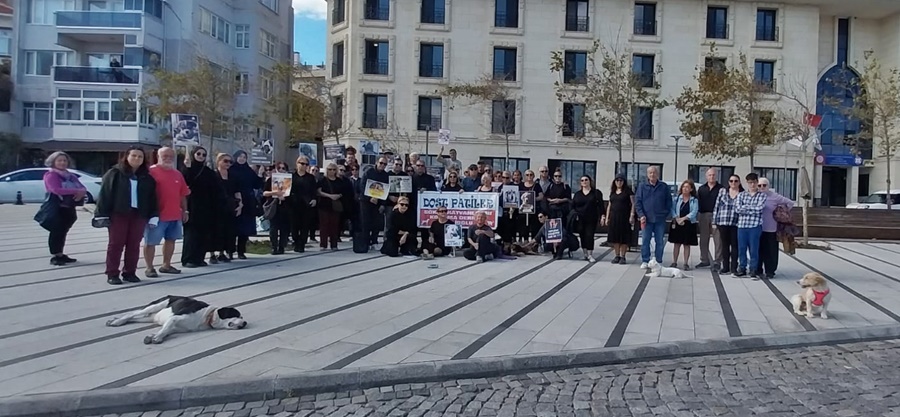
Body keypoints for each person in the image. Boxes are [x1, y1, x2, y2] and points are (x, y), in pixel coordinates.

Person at [95, 146, 157, 285]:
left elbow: (152, 198)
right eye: (133, 156)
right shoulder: (115, 173)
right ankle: (112, 273)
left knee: (134, 245)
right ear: (127, 157)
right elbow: (105, 194)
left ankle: (129, 272)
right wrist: (101, 214)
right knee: (116, 244)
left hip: (138, 215)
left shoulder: (147, 177)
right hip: (119, 213)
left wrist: (154, 215)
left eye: (140, 156)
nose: (136, 159)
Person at [144, 147, 190, 277]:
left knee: (171, 240)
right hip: (156, 216)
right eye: (165, 156)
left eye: (171, 156)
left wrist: (185, 210)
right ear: (158, 156)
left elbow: (183, 194)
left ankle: (166, 265)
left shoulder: (177, 174)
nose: (168, 158)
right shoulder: (150, 172)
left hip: (175, 214)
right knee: (151, 242)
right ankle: (149, 267)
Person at [41, 151, 87, 266]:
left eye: (64, 160)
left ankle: (60, 253)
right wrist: (76, 191)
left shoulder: (70, 175)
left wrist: (81, 191)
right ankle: (56, 255)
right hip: (57, 207)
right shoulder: (51, 175)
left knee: (63, 231)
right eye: (59, 160)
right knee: (56, 231)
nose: (62, 163)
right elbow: (56, 189)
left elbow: (82, 187)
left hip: (69, 207)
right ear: (53, 162)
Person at [180, 146, 219, 268]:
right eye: (198, 154)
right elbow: (184, 184)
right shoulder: (187, 169)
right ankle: (188, 259)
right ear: (193, 155)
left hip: (206, 206)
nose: (201, 156)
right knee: (191, 233)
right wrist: (187, 168)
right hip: (192, 205)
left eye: (203, 154)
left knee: (204, 233)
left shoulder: (208, 171)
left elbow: (215, 188)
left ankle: (199, 257)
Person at [756, 177, 794, 278]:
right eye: (759, 185)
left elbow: (790, 203)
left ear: (768, 186)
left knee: (771, 251)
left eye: (764, 185)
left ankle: (770, 271)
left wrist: (781, 212)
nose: (762, 187)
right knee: (758, 250)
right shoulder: (755, 195)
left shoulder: (774, 196)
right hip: (757, 228)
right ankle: (757, 269)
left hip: (771, 228)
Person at [635, 166, 672, 269]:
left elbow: (669, 201)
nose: (652, 175)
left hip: (660, 219)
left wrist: (665, 213)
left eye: (654, 173)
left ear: (658, 174)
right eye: (650, 173)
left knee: (659, 241)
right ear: (647, 174)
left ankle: (659, 260)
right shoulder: (642, 186)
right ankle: (645, 260)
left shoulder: (664, 186)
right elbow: (638, 202)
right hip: (646, 219)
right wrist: (641, 215)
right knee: (645, 241)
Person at [229, 150, 263, 259]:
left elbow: (257, 185)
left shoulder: (248, 171)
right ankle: (230, 250)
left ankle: (241, 251)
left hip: (248, 202)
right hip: (235, 201)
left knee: (244, 229)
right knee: (233, 228)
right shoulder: (231, 169)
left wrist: (260, 174)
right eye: (240, 157)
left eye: (244, 157)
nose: (242, 159)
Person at [735, 172, 767, 278]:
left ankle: (753, 269)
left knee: (754, 249)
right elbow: (738, 209)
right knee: (742, 248)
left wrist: (746, 207)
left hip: (755, 226)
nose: (752, 185)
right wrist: (751, 208)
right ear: (747, 183)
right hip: (742, 226)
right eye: (750, 183)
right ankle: (742, 267)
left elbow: (759, 209)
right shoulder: (741, 195)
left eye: (754, 182)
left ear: (757, 182)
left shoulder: (762, 196)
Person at [212, 153, 242, 263]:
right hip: (216, 206)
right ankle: (212, 253)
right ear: (218, 161)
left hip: (230, 206)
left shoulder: (233, 176)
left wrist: (240, 204)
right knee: (216, 229)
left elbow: (237, 191)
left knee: (228, 230)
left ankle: (223, 252)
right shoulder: (214, 175)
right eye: (225, 161)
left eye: (230, 162)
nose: (228, 164)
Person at [712, 174, 744, 275]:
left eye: (735, 181)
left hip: (736, 223)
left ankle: (734, 267)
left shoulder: (743, 193)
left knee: (735, 245)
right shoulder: (722, 191)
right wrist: (714, 221)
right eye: (731, 181)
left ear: (739, 182)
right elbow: (716, 206)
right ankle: (725, 267)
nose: (733, 183)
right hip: (723, 221)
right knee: (724, 245)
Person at [571, 175, 604, 263]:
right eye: (582, 180)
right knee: (582, 236)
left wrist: (602, 216)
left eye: (586, 180)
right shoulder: (578, 194)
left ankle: (590, 254)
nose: (584, 182)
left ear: (590, 181)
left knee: (589, 235)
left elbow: (601, 206)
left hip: (591, 218)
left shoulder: (596, 193)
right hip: (580, 219)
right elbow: (573, 206)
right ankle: (585, 254)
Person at [668, 179, 700, 270]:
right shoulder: (677, 198)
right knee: (676, 244)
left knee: (687, 244)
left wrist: (684, 218)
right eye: (683, 187)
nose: (685, 189)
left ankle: (686, 263)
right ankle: (674, 262)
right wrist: (677, 218)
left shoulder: (694, 200)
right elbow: (672, 209)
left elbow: (694, 212)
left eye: (687, 187)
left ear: (691, 189)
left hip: (689, 224)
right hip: (677, 223)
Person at [317, 163, 349, 251]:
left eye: (334, 169)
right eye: (330, 169)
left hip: (335, 205)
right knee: (324, 225)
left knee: (334, 225)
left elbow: (344, 192)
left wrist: (338, 196)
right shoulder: (322, 180)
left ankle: (334, 244)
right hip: (324, 205)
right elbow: (319, 192)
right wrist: (330, 196)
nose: (332, 171)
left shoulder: (339, 181)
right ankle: (323, 244)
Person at [288, 156, 317, 252]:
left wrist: (314, 199)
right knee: (294, 226)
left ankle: (302, 244)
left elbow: (314, 191)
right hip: (294, 204)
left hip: (306, 204)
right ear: (297, 164)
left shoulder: (310, 178)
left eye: (306, 164)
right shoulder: (291, 176)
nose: (304, 166)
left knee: (305, 226)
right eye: (302, 163)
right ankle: (296, 242)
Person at [604, 173, 634, 264]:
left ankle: (623, 256)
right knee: (615, 237)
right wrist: (607, 217)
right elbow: (609, 205)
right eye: (617, 180)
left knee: (623, 238)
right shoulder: (613, 192)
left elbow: (633, 204)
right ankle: (617, 255)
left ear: (624, 181)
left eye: (621, 180)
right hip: (614, 217)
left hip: (624, 217)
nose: (619, 182)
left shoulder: (628, 192)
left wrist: (632, 215)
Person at [696, 168, 724, 270]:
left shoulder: (721, 189)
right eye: (709, 175)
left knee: (718, 240)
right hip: (703, 215)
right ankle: (704, 260)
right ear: (706, 176)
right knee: (703, 239)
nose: (711, 177)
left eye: (713, 175)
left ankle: (717, 261)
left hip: (717, 216)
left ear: (716, 176)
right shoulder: (701, 189)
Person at [359, 157, 389, 248]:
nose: (382, 165)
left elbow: (386, 190)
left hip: (378, 202)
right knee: (366, 222)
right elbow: (362, 186)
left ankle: (374, 241)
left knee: (376, 223)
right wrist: (369, 198)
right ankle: (366, 242)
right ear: (376, 162)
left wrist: (383, 204)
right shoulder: (368, 172)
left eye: (385, 164)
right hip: (366, 201)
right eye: (381, 163)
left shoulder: (386, 175)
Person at [262, 162, 290, 254]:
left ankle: (282, 247)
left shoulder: (289, 180)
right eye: (280, 168)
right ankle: (274, 246)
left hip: (286, 207)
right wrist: (274, 193)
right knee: (273, 228)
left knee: (284, 228)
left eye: (283, 168)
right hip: (274, 206)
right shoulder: (271, 179)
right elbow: (264, 193)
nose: (281, 170)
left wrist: (285, 197)